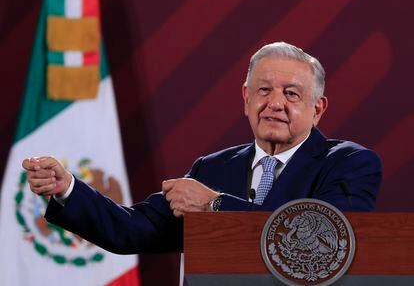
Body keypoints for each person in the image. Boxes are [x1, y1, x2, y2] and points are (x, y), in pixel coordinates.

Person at [23, 41, 382, 254]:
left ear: (317, 109)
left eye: (291, 94)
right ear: (245, 99)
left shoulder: (350, 164)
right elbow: (130, 230)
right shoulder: (213, 169)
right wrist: (67, 188)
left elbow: (325, 236)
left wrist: (214, 204)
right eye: (263, 90)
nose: (275, 103)